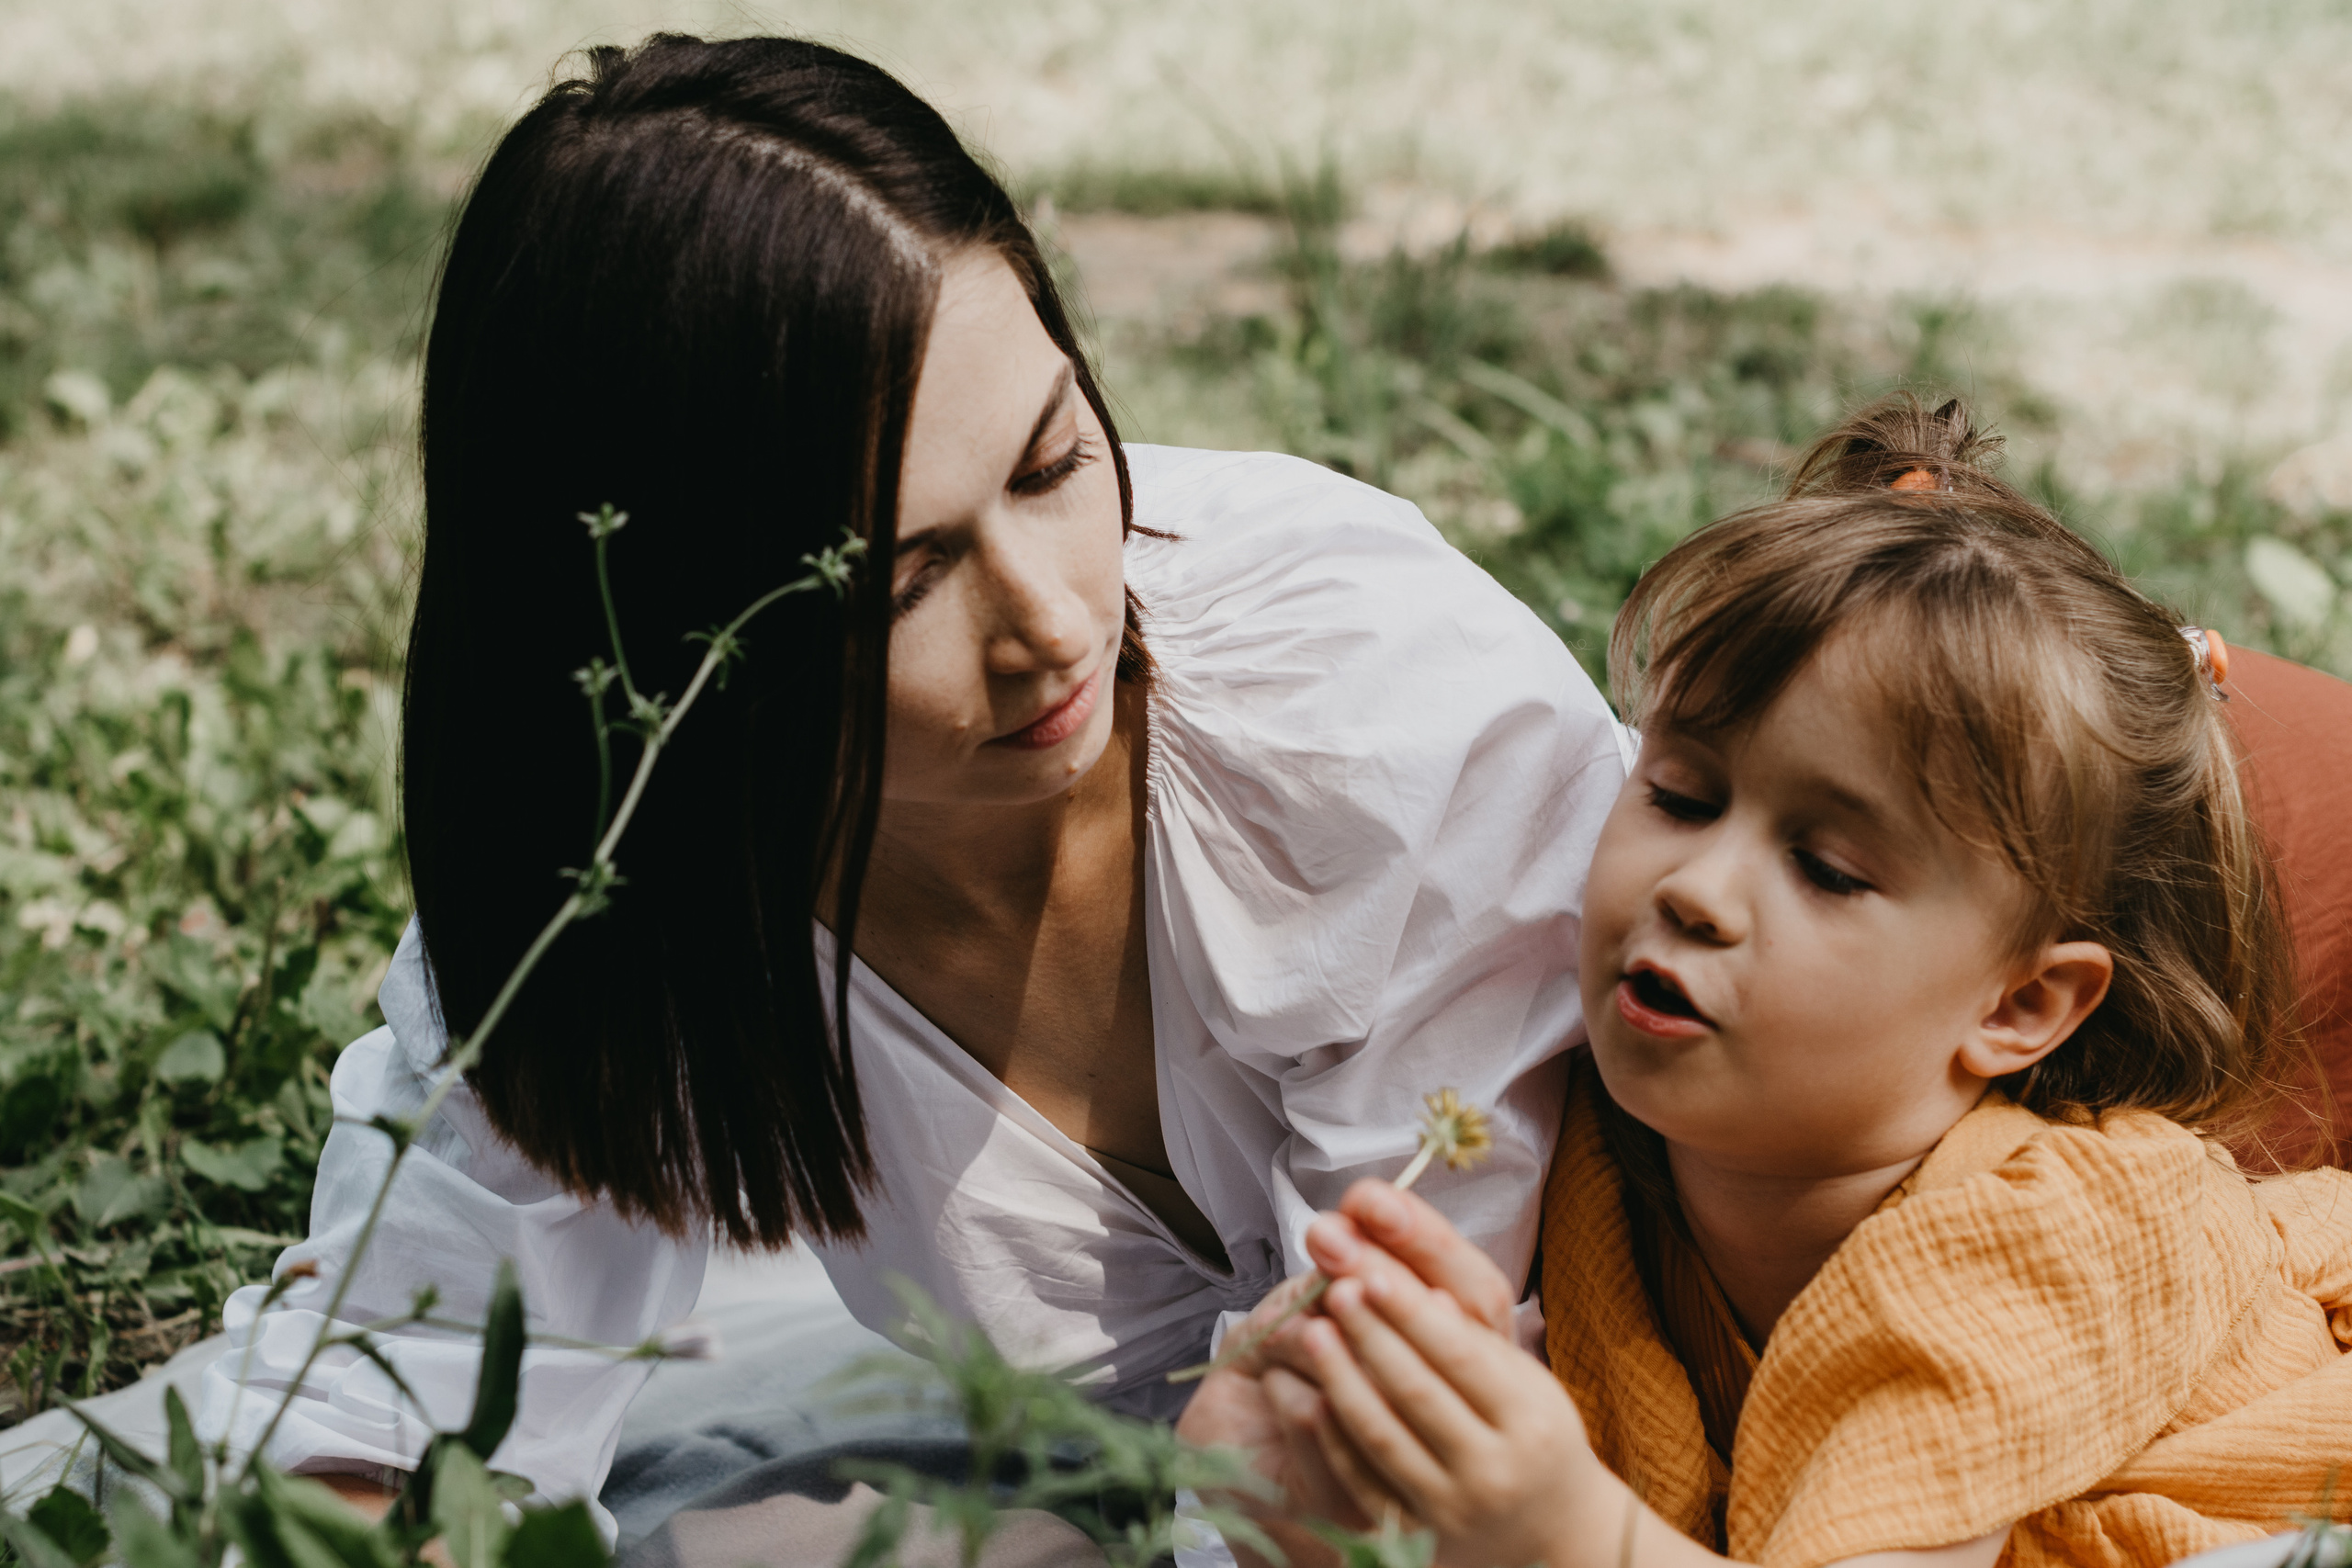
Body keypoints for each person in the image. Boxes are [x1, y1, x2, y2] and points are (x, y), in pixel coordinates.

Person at [195, 33, 1627, 1540]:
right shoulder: (630, 874)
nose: (1054, 622)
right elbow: (389, 1395)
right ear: (676, 637)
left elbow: (1397, 1474)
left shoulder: (1375, 723)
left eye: (1054, 459)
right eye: (905, 577)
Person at [1199, 397, 2352, 1568]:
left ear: (2017, 1007)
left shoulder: (2044, 1232)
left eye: (1827, 868)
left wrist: (1559, 1536)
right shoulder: (1589, 1155)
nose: (1699, 889)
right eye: (1682, 797)